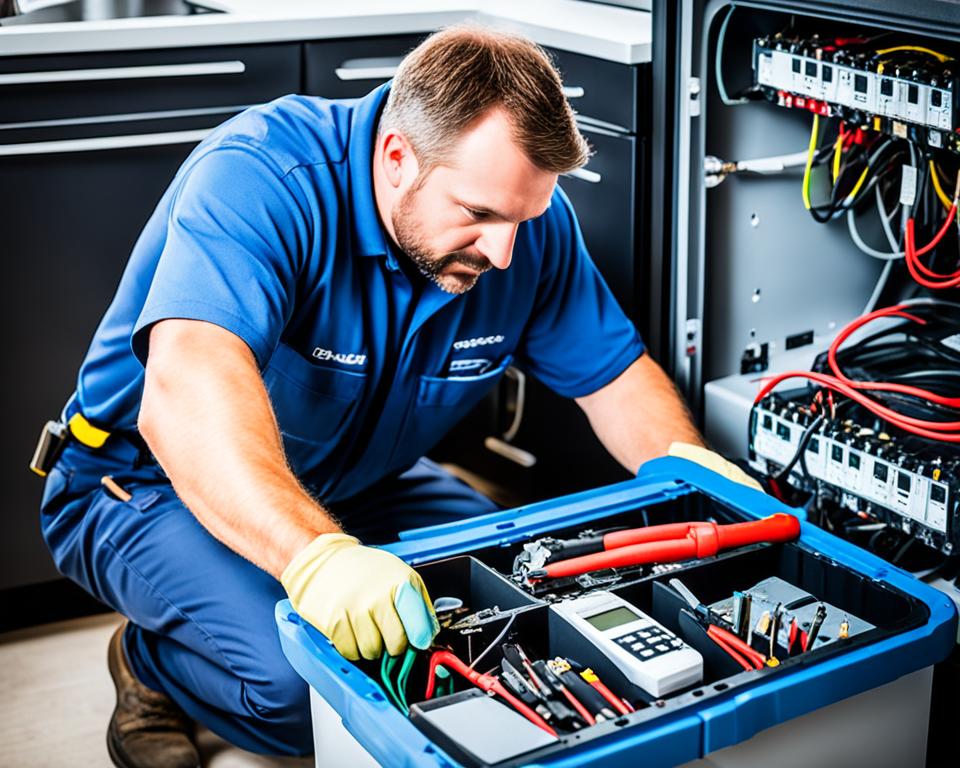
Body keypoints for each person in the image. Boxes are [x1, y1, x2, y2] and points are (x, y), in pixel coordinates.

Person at [37, 25, 759, 768]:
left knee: (521, 606)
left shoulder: (520, 229)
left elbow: (614, 377)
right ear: (396, 160)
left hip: (359, 477)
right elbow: (185, 390)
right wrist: (317, 558)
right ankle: (151, 662)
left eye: (524, 219)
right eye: (479, 215)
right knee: (309, 692)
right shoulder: (265, 176)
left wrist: (690, 471)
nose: (504, 252)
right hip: (142, 483)